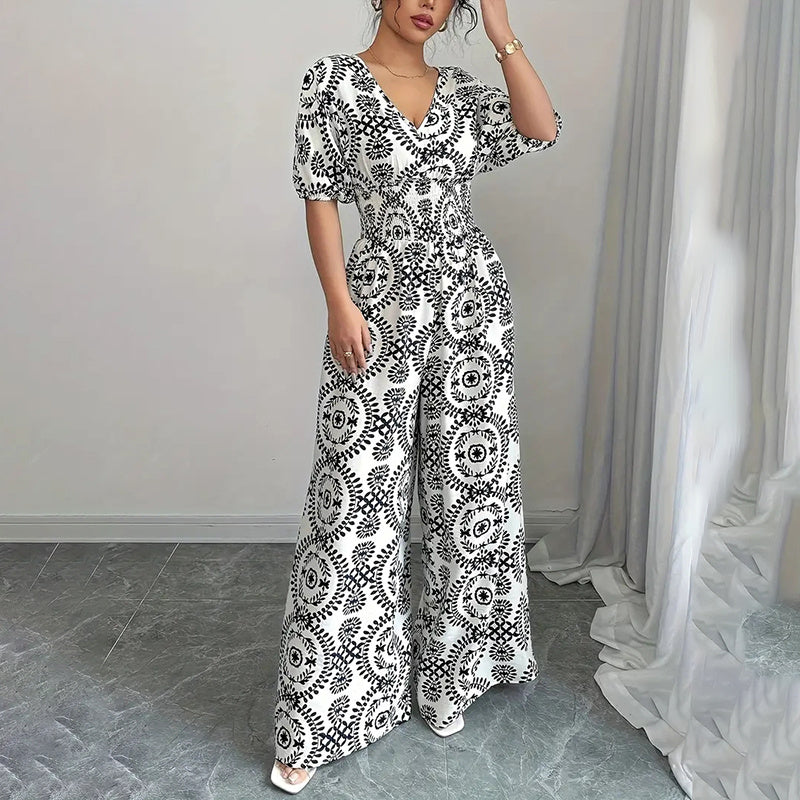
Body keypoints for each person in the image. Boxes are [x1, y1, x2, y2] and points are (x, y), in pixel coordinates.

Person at [271, 0, 561, 792]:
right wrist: (339, 303)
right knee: (355, 496)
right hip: (378, 300)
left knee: (469, 492)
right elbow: (319, 195)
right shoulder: (332, 82)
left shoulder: (463, 90)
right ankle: (320, 716)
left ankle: (449, 678)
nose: (427, 4)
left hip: (472, 303)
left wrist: (501, 31)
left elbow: (540, 128)